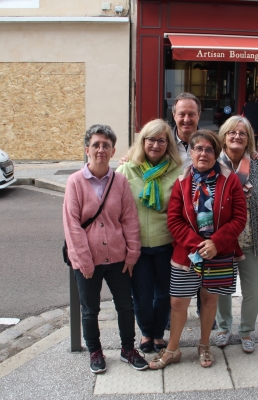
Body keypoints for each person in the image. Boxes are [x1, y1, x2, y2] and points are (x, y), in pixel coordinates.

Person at [149, 130, 247, 370]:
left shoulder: (230, 179)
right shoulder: (182, 182)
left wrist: (216, 243)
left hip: (219, 252)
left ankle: (204, 345)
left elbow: (239, 217)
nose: (203, 153)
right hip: (188, 254)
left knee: (209, 300)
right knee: (177, 303)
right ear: (190, 152)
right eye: (198, 149)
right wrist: (198, 245)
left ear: (216, 153)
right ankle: (172, 349)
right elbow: (174, 220)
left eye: (209, 149)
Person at [63, 124, 148, 374]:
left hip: (118, 259)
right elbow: (72, 225)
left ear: (113, 152)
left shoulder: (119, 182)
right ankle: (95, 351)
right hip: (87, 262)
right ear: (87, 149)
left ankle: (127, 349)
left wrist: (132, 254)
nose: (101, 149)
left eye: (106, 146)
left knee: (125, 306)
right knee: (90, 310)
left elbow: (129, 219)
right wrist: (85, 261)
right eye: (96, 145)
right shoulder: (75, 182)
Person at [116, 119, 183, 354]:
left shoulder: (178, 171)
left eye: (161, 140)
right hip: (137, 246)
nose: (155, 145)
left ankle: (158, 334)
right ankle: (145, 332)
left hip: (167, 244)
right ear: (143, 141)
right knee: (142, 296)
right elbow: (114, 207)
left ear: (168, 144)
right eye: (151, 139)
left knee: (164, 294)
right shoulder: (126, 170)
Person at [215, 116, 258, 354]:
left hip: (252, 240)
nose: (237, 137)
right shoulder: (212, 164)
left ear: (249, 139)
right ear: (224, 136)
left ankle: (246, 330)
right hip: (222, 241)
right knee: (222, 289)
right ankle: (223, 328)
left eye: (242, 133)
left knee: (253, 290)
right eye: (232, 133)